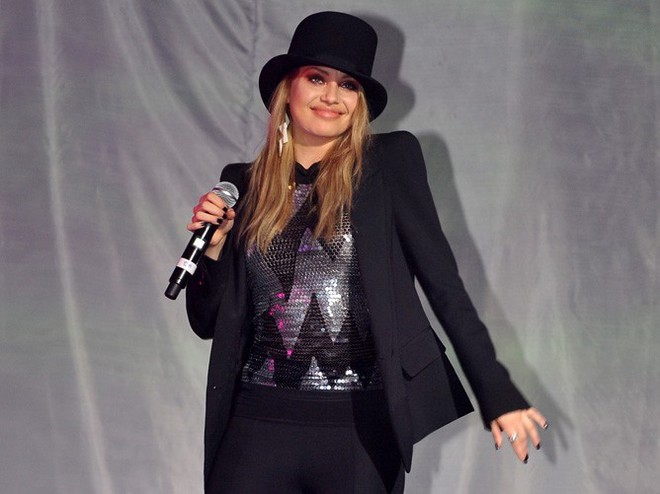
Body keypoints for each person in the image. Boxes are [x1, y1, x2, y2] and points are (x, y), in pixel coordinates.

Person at [184, 11, 548, 493]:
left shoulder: (388, 164)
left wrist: (496, 391)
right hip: (255, 427)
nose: (331, 96)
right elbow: (209, 322)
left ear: (359, 102)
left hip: (359, 433)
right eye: (317, 78)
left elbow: (444, 286)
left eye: (348, 85)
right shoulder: (242, 183)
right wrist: (212, 252)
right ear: (288, 89)